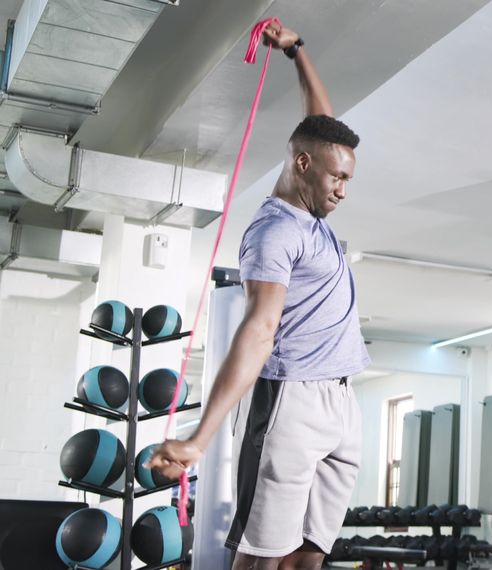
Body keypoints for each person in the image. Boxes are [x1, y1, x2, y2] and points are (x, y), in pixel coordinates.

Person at [148, 22, 369, 570]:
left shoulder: (312, 198)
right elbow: (258, 331)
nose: (343, 189)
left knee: (312, 552)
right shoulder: (275, 232)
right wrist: (200, 439)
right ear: (302, 166)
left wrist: (297, 52)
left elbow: (324, 126)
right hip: (290, 402)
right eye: (336, 178)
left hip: (341, 399)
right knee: (264, 554)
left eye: (347, 178)